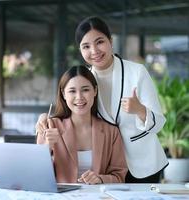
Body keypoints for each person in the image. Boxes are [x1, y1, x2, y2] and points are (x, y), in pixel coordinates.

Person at [36, 16, 168, 183]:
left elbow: (160, 123)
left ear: (110, 41)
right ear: (80, 50)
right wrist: (44, 118)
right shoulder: (86, 79)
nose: (94, 51)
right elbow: (71, 105)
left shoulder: (137, 72)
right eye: (86, 46)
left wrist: (140, 110)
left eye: (99, 42)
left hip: (142, 163)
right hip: (107, 166)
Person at [37, 65, 127, 184]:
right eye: (72, 91)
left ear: (94, 91)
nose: (79, 97)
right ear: (64, 94)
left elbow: (119, 176)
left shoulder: (111, 132)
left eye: (85, 90)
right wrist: (47, 147)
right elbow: (37, 173)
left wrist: (100, 179)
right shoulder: (50, 126)